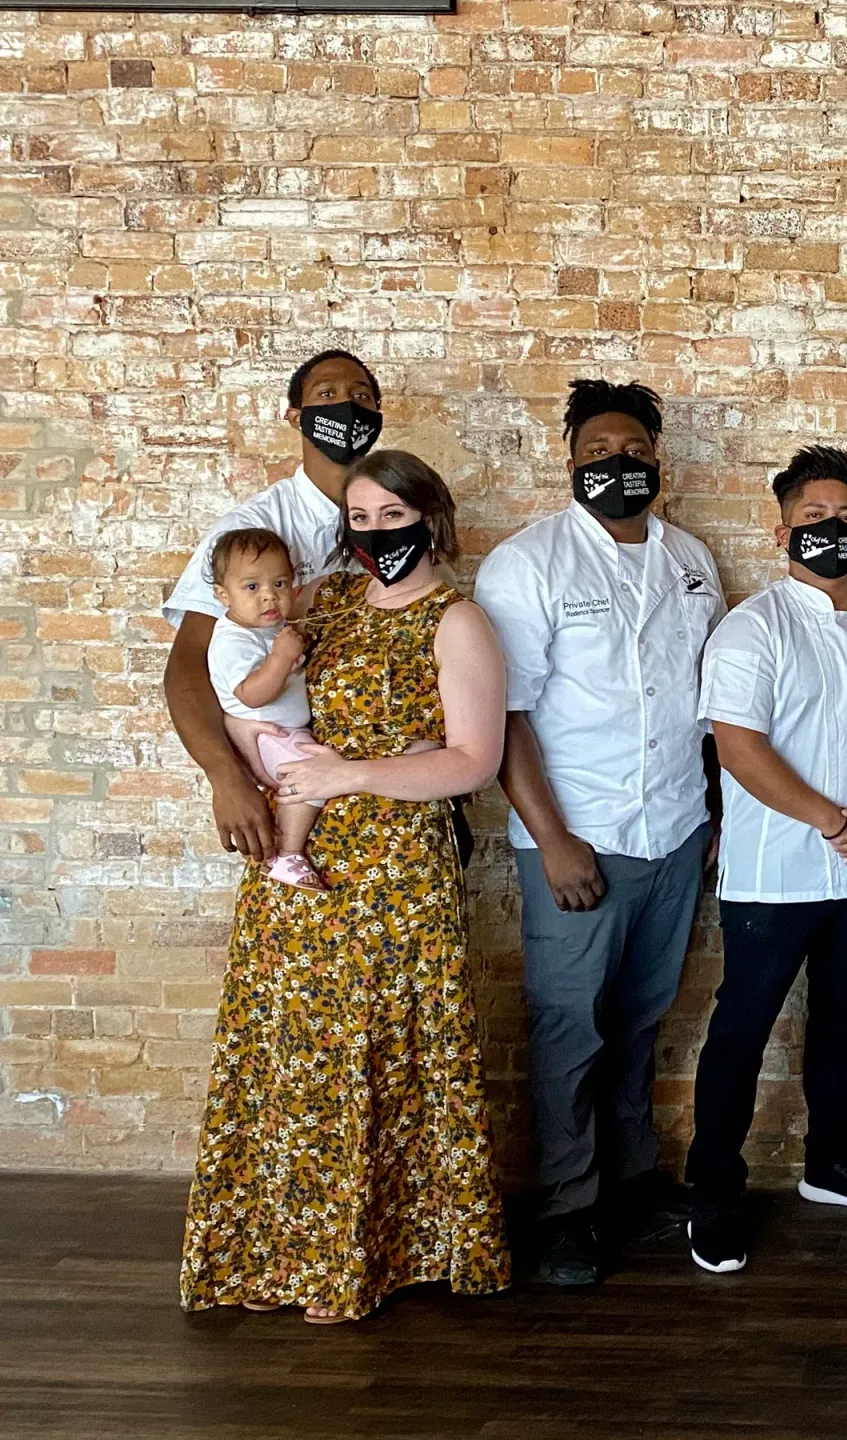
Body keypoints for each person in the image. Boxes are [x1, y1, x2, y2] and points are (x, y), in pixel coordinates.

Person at [179, 450, 511, 1324]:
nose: (374, 534)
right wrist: (243, 773)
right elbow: (245, 688)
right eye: (359, 520)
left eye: (390, 519)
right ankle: (280, 1256)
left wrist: (347, 775)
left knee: (379, 1053)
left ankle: (367, 1261)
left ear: (430, 518)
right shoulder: (325, 606)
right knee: (291, 1050)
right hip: (303, 853)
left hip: (396, 865)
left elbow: (475, 761)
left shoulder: (459, 620)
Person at [473, 378, 725, 1287]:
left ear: (658, 459)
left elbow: (710, 705)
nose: (616, 465)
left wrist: (714, 812)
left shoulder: (692, 558)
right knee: (570, 1025)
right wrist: (556, 839)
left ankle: (630, 1174)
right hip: (578, 836)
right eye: (596, 454)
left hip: (675, 830)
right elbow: (506, 716)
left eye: (632, 452)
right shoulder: (528, 563)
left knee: (639, 1018)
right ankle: (569, 1208)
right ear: (569, 462)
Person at [683, 445, 847, 1274]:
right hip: (775, 871)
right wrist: (828, 818)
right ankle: (711, 1190)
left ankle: (830, 1161)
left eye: (846, 516)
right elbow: (739, 748)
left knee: (844, 1021)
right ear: (782, 530)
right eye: (815, 517)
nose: (833, 529)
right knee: (743, 1029)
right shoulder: (752, 627)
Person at [164, 350, 385, 861]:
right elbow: (187, 664)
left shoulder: (395, 519)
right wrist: (225, 780)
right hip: (288, 782)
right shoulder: (247, 535)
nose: (345, 407)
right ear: (295, 417)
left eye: (360, 397)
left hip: (382, 778)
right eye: (326, 396)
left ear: (377, 415)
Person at [204, 528, 330, 891]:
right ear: (222, 595)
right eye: (252, 587)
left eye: (279, 583)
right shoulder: (233, 640)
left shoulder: (268, 628)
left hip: (284, 731)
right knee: (312, 778)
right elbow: (251, 694)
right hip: (266, 733)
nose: (269, 597)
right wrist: (281, 658)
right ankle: (288, 854)